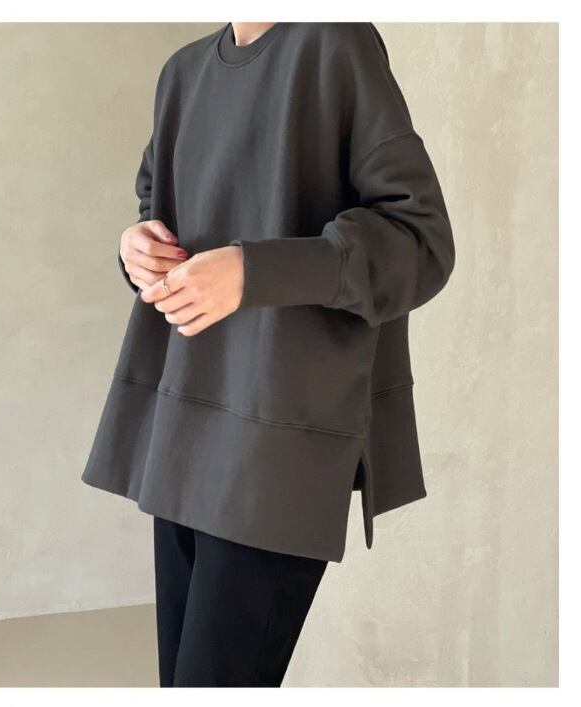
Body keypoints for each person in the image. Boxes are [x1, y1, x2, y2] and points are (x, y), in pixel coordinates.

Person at [81, 22, 455, 687]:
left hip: (279, 438)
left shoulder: (335, 44)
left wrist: (254, 271)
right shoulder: (182, 72)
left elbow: (419, 241)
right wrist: (136, 250)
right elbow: (156, 205)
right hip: (183, 425)